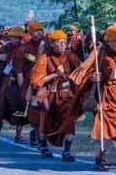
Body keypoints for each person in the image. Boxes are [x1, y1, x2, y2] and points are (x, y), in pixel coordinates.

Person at [71, 24, 116, 173]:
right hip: (106, 94)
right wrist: (94, 78)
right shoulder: (100, 54)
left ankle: (99, 157)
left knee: (111, 128)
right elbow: (86, 73)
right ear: (108, 41)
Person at [30, 30, 82, 160]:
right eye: (59, 43)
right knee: (46, 121)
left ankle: (67, 151)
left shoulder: (70, 56)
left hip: (67, 94)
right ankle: (43, 146)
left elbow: (81, 70)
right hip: (50, 94)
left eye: (64, 42)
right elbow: (37, 81)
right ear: (52, 44)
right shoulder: (45, 58)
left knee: (70, 121)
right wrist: (55, 75)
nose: (63, 45)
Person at [0, 26, 29, 141]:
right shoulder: (6, 48)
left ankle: (18, 134)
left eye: (19, 38)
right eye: (14, 38)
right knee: (1, 105)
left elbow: (30, 63)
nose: (16, 40)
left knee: (20, 107)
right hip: (5, 81)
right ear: (10, 38)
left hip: (20, 82)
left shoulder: (25, 49)